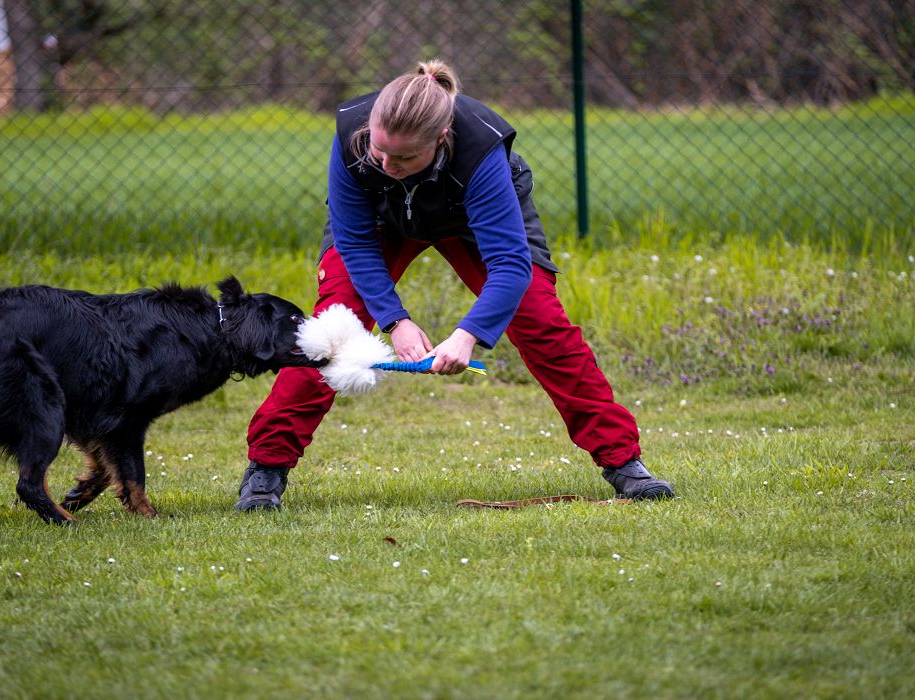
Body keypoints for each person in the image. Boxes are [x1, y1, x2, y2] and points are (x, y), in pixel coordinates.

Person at [234, 59, 674, 511]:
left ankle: (623, 461)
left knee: (543, 324)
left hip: (470, 222)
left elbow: (509, 265)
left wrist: (468, 335)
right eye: (381, 152)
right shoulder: (353, 137)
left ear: (441, 139)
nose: (387, 165)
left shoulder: (480, 152)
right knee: (331, 333)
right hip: (381, 225)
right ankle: (267, 465)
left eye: (404, 158)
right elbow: (355, 243)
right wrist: (396, 321)